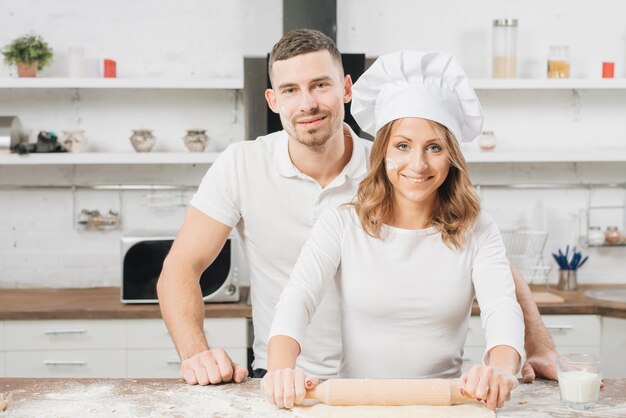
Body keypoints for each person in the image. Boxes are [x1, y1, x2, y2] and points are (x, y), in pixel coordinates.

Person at [156, 29, 557, 387]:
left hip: (372, 383)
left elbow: (488, 262)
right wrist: (197, 356)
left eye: (320, 85)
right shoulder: (242, 165)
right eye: (291, 90)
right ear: (273, 99)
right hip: (287, 377)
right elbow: (180, 269)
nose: (307, 103)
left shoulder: (394, 168)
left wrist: (535, 347)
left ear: (346, 88)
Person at [262, 50, 524, 411]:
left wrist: (500, 369)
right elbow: (298, 298)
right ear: (382, 151)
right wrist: (280, 370)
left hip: (444, 406)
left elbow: (501, 308)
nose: (417, 164)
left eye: (434, 147)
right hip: (354, 407)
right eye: (402, 146)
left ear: (451, 157)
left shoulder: (476, 229)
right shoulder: (341, 223)